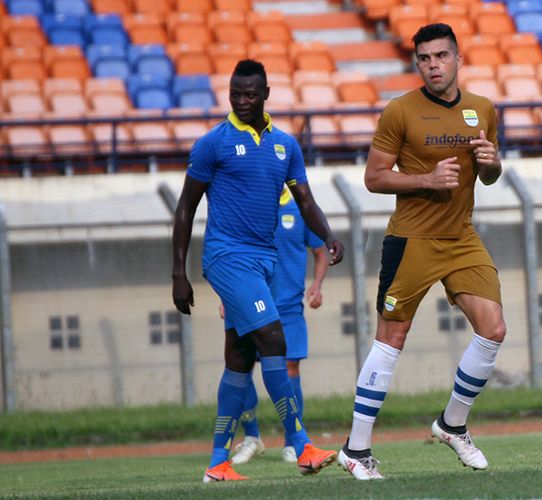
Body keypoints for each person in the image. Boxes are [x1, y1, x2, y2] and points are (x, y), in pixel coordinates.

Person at [336, 23, 507, 480]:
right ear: (418, 63)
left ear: (458, 59)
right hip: (411, 240)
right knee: (392, 337)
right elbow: (374, 178)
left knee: (493, 329)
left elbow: (487, 174)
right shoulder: (400, 111)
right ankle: (356, 449)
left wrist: (493, 166)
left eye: (441, 56)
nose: (433, 65)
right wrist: (425, 181)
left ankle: (452, 423)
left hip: (461, 238)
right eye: (425, 58)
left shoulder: (482, 109)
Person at [171, 59, 344, 483]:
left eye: (250, 94)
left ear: (266, 94)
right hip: (227, 258)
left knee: (240, 358)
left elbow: (305, 201)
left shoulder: (286, 145)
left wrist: (327, 235)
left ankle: (217, 462)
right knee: (274, 337)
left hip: (262, 261)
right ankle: (301, 445)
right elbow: (185, 209)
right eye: (236, 94)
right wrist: (178, 272)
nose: (243, 101)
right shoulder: (213, 143)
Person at [230, 185, 330, 465]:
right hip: (249, 302)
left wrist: (317, 285)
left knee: (289, 367)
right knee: (241, 368)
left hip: (288, 308)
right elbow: (232, 254)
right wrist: (228, 293)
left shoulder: (301, 207)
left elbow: (321, 252)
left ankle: (292, 439)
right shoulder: (248, 203)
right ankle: (252, 438)